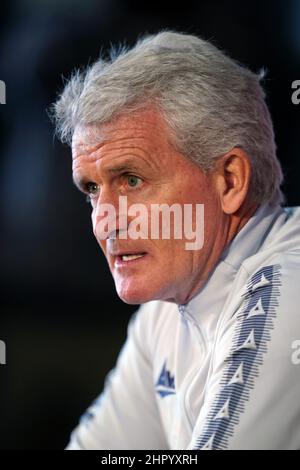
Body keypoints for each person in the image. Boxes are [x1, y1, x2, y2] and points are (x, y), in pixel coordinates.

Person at [53, 30, 300, 450]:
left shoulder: (289, 289)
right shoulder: (163, 310)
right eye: (92, 189)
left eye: (131, 180)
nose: (105, 222)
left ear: (230, 180)